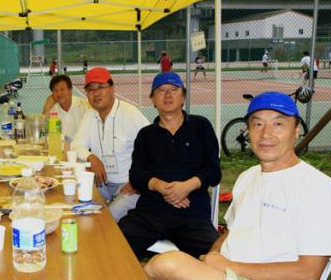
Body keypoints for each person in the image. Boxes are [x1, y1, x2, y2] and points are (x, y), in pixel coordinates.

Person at [144, 91, 331, 280]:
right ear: (248, 131)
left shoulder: (317, 187)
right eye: (257, 123)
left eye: (278, 123)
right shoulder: (248, 177)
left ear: (296, 130)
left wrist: (228, 267)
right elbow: (231, 232)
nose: (266, 133)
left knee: (167, 264)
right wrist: (213, 257)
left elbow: (308, 274)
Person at [119, 72, 221, 259]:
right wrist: (160, 186)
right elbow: (136, 175)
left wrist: (187, 186)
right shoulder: (145, 135)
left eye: (174, 90)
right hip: (151, 213)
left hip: (192, 214)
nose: (167, 95)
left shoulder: (201, 126)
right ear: (153, 99)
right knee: (117, 243)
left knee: (215, 256)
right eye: (161, 90)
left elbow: (214, 171)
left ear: (183, 97)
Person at [71, 67, 150, 221]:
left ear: (112, 88)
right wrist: (91, 157)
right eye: (91, 89)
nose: (96, 93)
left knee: (107, 220)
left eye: (101, 87)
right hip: (101, 183)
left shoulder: (130, 113)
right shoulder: (90, 114)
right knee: (75, 202)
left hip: (128, 186)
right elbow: (76, 145)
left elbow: (155, 147)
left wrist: (139, 181)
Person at [41, 74, 90, 144]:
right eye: (55, 90)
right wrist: (46, 107)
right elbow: (41, 134)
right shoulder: (51, 110)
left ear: (70, 90)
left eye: (62, 89)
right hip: (59, 147)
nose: (59, 94)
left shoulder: (84, 106)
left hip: (81, 148)